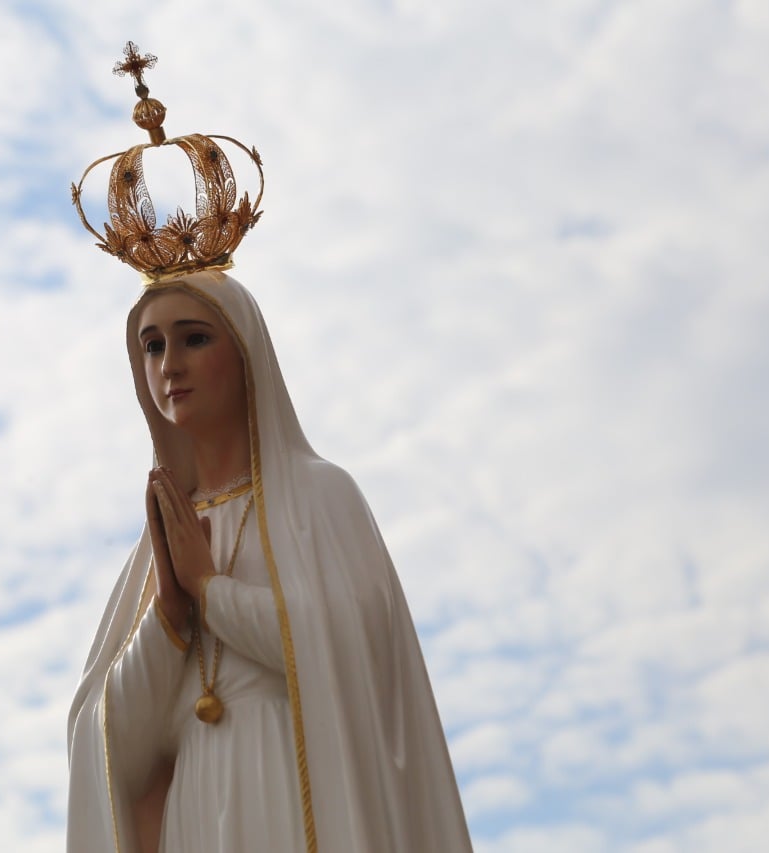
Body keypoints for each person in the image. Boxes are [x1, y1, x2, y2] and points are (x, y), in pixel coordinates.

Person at [65, 269, 473, 852]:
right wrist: (167, 617)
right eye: (152, 346)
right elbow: (110, 737)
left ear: (246, 354)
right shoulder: (157, 546)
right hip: (196, 800)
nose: (169, 365)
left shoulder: (318, 496)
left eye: (194, 338)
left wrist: (210, 590)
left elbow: (351, 648)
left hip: (287, 769)